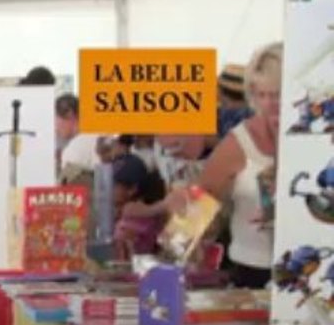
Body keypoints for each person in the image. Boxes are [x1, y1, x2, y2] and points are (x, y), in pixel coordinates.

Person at [180, 43, 281, 289]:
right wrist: (175, 251)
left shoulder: (320, 140)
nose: (269, 104)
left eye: (277, 94)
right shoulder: (239, 142)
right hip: (253, 275)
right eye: (261, 95)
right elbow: (200, 203)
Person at [111, 154, 168, 261]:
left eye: (113, 184)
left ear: (132, 189)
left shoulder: (133, 215)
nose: (107, 189)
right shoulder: (127, 212)